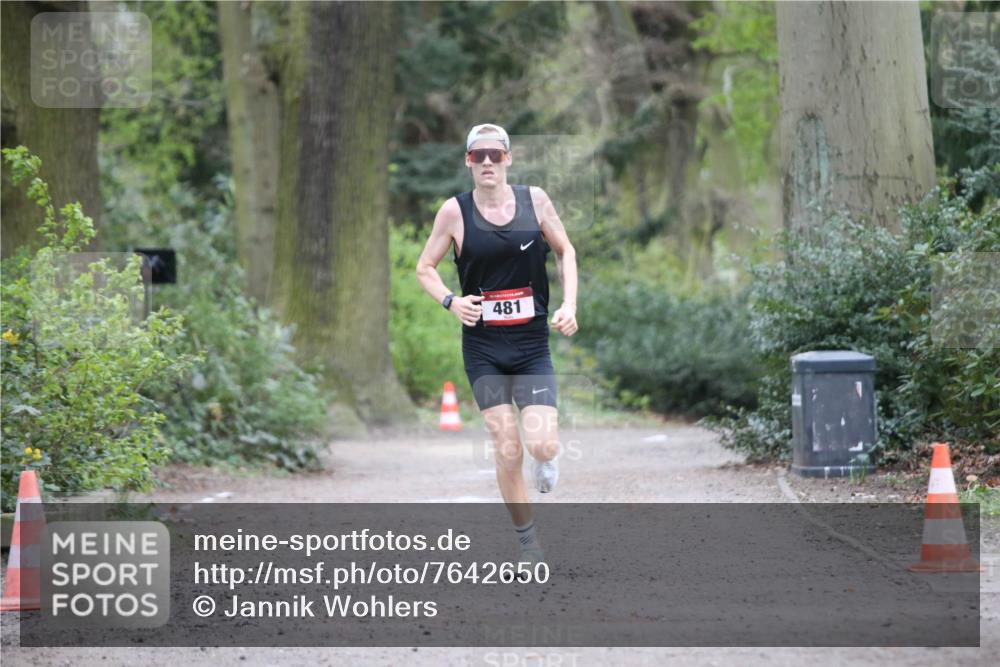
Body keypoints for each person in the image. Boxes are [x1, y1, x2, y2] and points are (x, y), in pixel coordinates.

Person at [416, 123, 578, 564]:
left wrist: (569, 305)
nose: (487, 162)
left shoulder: (535, 200)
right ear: (468, 162)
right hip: (484, 349)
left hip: (530, 346)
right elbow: (424, 268)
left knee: (541, 444)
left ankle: (546, 459)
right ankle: (528, 545)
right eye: (477, 156)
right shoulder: (454, 212)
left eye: (495, 154)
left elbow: (565, 251)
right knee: (506, 445)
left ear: (508, 159)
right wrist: (451, 301)